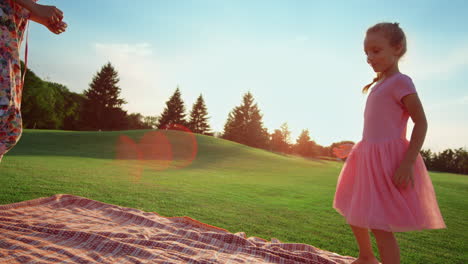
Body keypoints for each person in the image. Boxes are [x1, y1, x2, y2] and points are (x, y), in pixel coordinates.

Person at [332, 22, 446, 264]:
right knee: (355, 211)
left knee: (380, 224)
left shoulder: (402, 82)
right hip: (365, 157)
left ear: (397, 48)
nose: (369, 58)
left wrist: (407, 162)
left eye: (375, 50)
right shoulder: (378, 84)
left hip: (387, 161)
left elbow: (421, 123)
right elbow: (377, 127)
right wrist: (354, 148)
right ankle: (366, 257)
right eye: (366, 53)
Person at [0, 0, 66, 162]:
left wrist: (39, 17)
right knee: (5, 119)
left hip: (9, 38)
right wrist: (35, 7)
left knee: (6, 124)